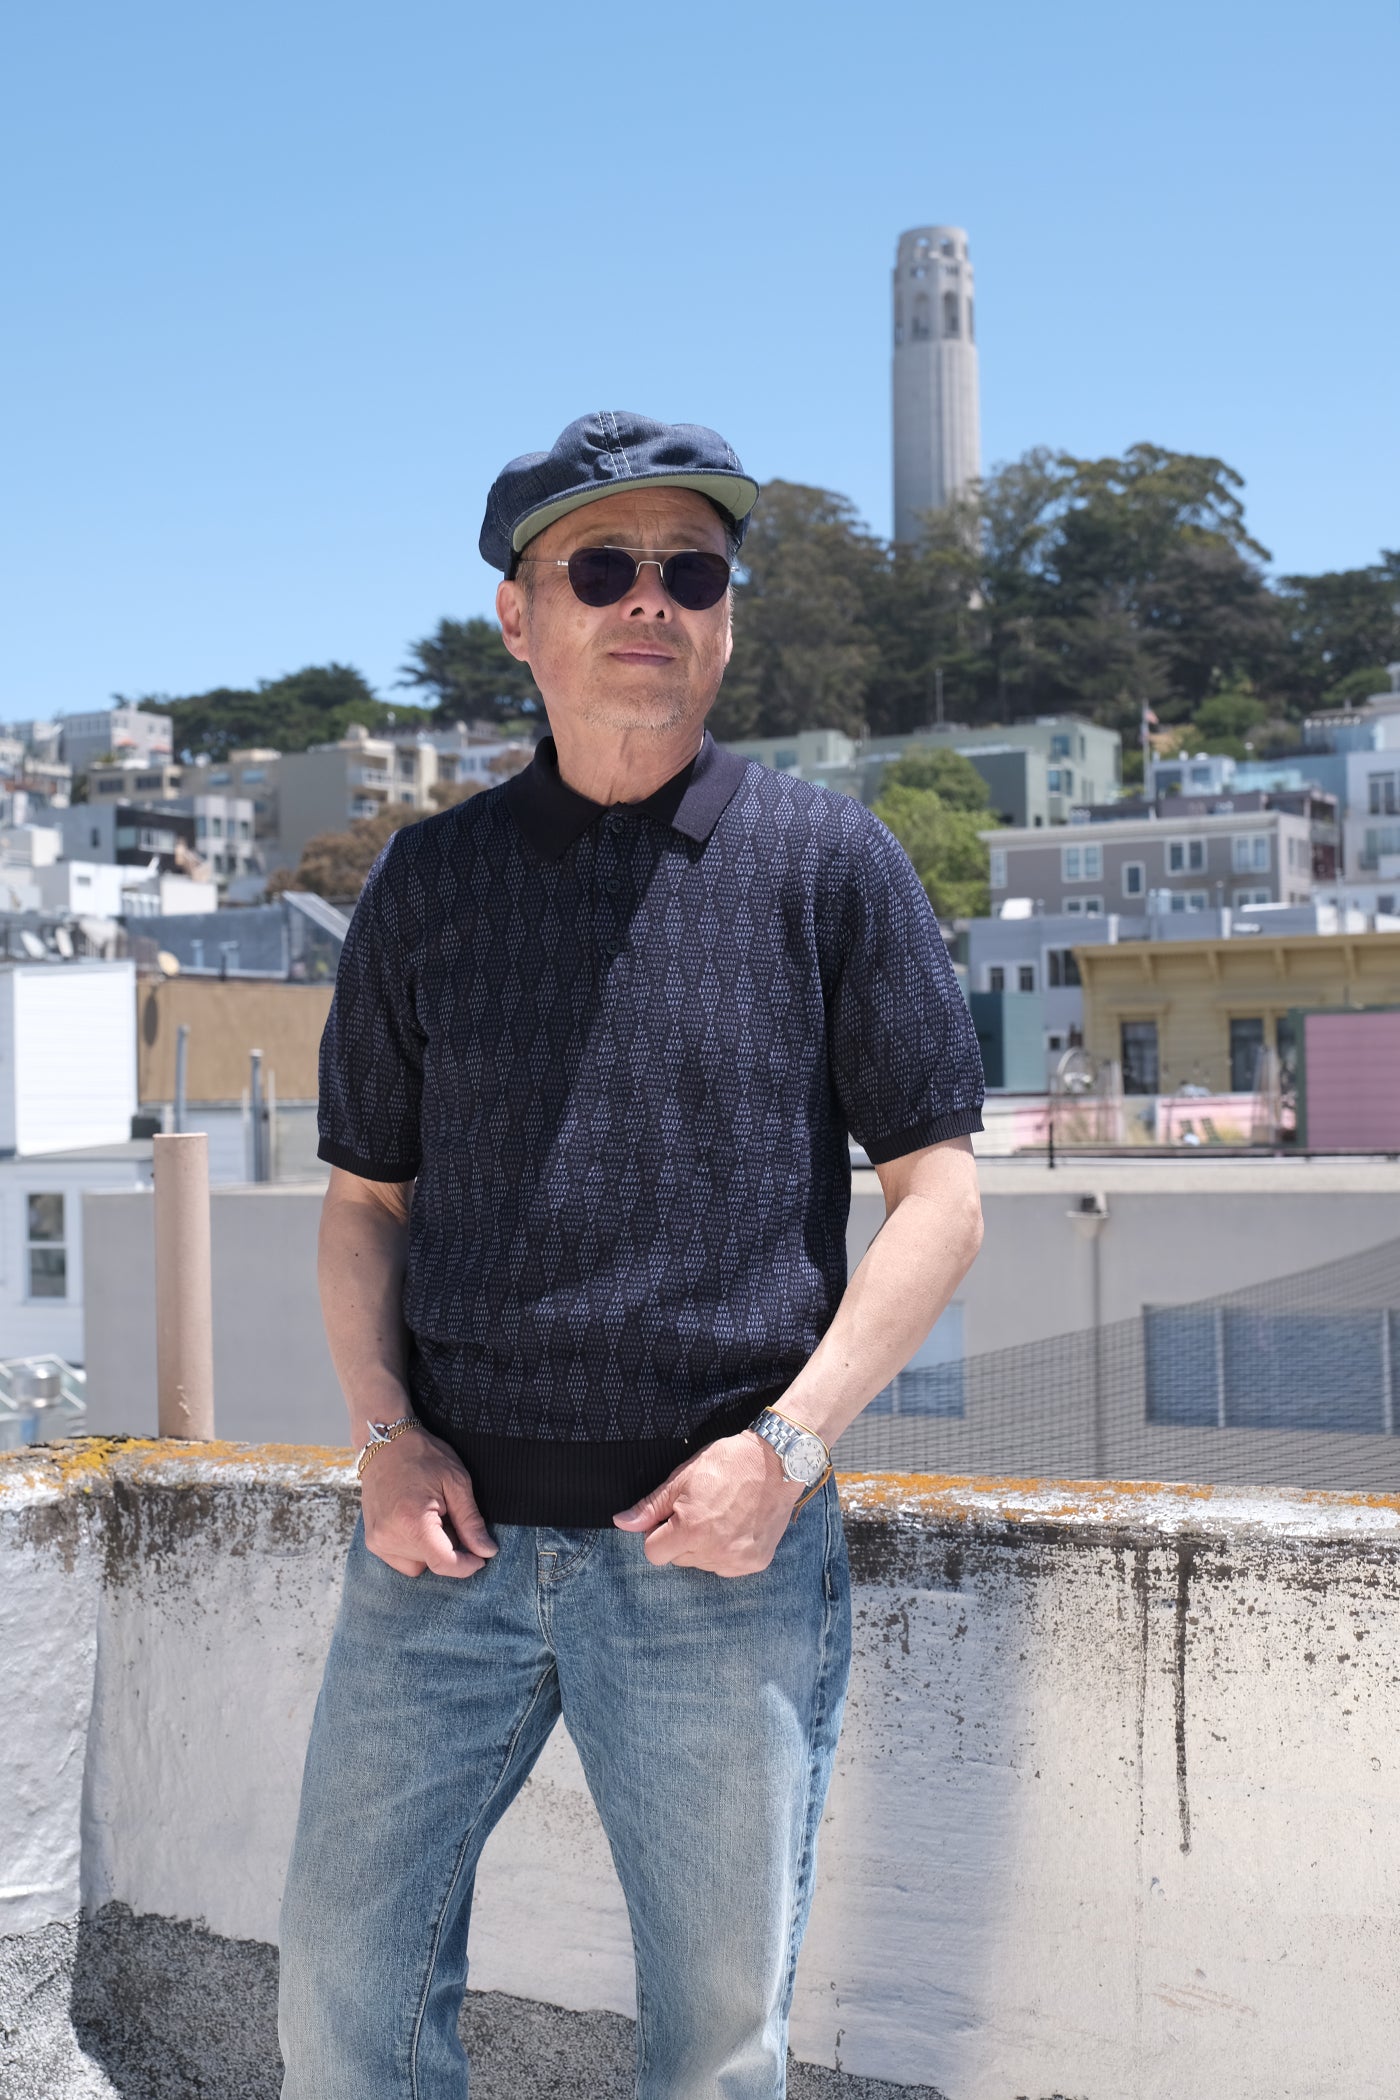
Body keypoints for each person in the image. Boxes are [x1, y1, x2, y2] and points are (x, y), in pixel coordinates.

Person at [278, 409, 985, 2099]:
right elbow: (365, 1205)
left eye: (693, 571)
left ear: (727, 617)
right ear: (519, 619)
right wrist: (385, 1438)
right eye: (601, 568)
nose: (650, 599)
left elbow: (943, 1199)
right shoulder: (426, 883)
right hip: (438, 1558)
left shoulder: (831, 866)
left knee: (715, 2053)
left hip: (715, 1561)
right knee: (342, 2006)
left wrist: (785, 1454)